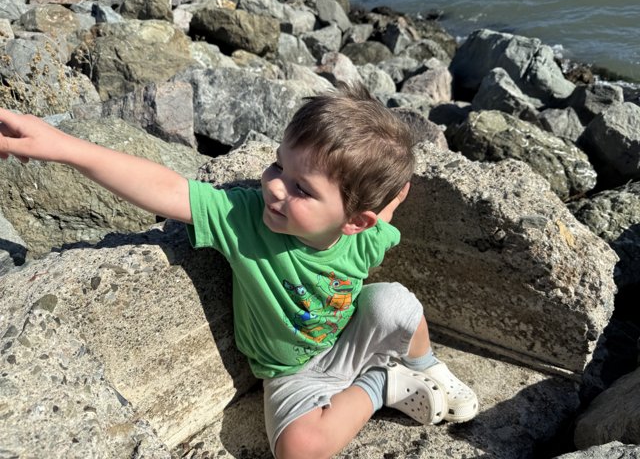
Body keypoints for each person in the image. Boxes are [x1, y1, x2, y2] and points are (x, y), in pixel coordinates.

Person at [0, 82, 478, 458]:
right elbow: (165, 188)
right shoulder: (244, 220)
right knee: (298, 448)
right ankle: (383, 384)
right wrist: (65, 147)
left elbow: (390, 205)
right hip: (292, 373)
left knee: (397, 303)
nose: (274, 188)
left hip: (346, 335)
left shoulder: (367, 237)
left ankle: (424, 367)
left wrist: (396, 184)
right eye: (278, 167)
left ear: (355, 221)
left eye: (301, 189)